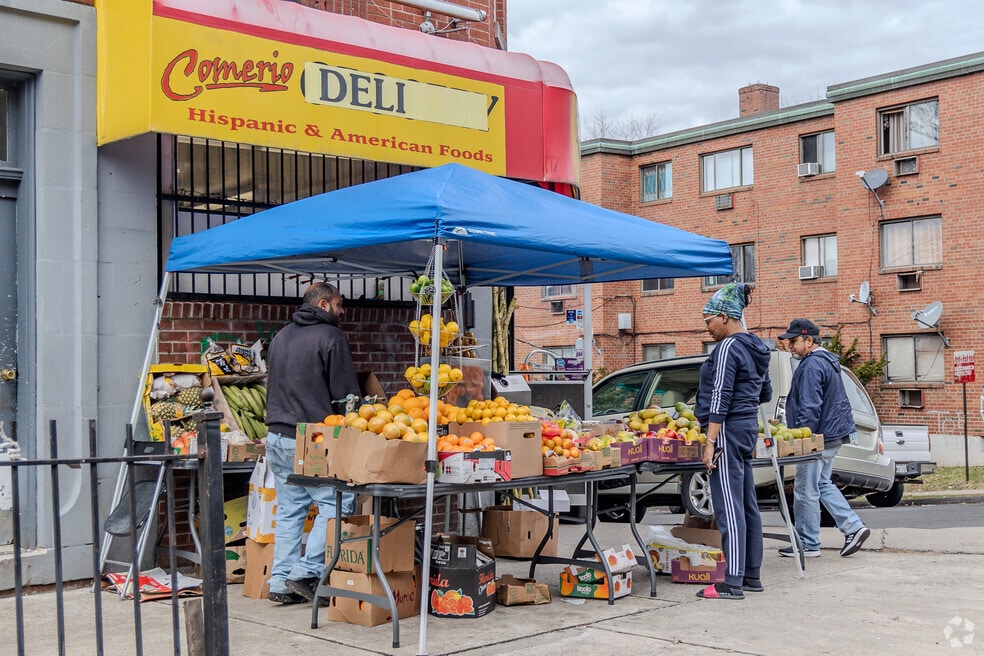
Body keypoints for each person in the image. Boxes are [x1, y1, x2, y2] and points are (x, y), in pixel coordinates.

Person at [264, 282, 361, 604]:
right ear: (323, 303)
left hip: (276, 436)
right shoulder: (332, 337)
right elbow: (345, 396)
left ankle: (279, 582)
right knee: (337, 503)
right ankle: (305, 572)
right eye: (339, 304)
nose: (342, 310)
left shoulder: (281, 336)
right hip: (312, 438)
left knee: (291, 509)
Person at [694, 282, 773, 600]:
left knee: (729, 507)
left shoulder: (728, 348)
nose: (708, 327)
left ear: (725, 317)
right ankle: (751, 574)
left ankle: (733, 581)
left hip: (726, 430)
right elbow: (764, 393)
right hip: (745, 429)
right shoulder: (758, 347)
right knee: (747, 504)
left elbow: (720, 395)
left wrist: (710, 440)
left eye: (709, 320)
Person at [778, 318, 871, 559]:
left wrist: (803, 439)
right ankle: (853, 527)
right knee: (821, 484)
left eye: (794, 341)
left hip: (818, 435)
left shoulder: (811, 365)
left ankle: (808, 544)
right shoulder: (827, 361)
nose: (790, 345)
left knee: (805, 489)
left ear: (809, 341)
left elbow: (810, 405)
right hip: (832, 433)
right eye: (788, 341)